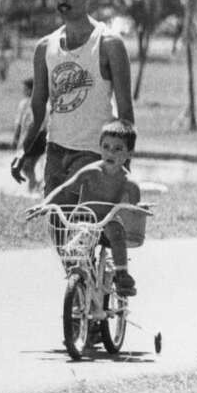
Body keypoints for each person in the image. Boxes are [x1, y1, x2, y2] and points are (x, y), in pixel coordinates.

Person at [12, 0, 135, 202]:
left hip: (95, 150)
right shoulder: (45, 47)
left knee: (86, 225)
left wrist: (124, 164)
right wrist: (23, 150)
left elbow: (125, 111)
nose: (61, 0)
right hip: (56, 149)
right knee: (58, 227)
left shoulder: (109, 44)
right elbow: (37, 107)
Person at [41, 120, 142, 296]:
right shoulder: (90, 172)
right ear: (100, 148)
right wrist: (44, 204)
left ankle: (122, 273)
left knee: (116, 231)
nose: (110, 152)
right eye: (106, 146)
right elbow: (64, 188)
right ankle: (81, 290)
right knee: (76, 250)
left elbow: (133, 209)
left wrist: (140, 208)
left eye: (118, 149)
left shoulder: (128, 183)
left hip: (107, 221)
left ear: (129, 154)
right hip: (84, 220)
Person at [11, 77, 46, 192]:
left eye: (26, 89)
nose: (24, 91)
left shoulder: (30, 103)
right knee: (28, 166)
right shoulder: (36, 102)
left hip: (35, 138)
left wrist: (16, 137)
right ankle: (35, 185)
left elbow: (19, 122)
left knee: (27, 166)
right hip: (35, 137)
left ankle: (34, 186)